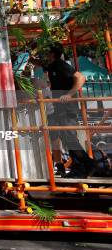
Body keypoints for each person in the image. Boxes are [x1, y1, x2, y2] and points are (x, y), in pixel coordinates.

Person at [42, 44, 93, 178]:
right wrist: (30, 59)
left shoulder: (60, 64)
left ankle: (86, 164)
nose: (46, 56)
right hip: (60, 110)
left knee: (70, 137)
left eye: (47, 53)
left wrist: (70, 94)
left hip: (67, 109)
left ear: (52, 54)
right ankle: (81, 166)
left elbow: (81, 78)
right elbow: (43, 65)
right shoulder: (53, 66)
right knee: (65, 137)